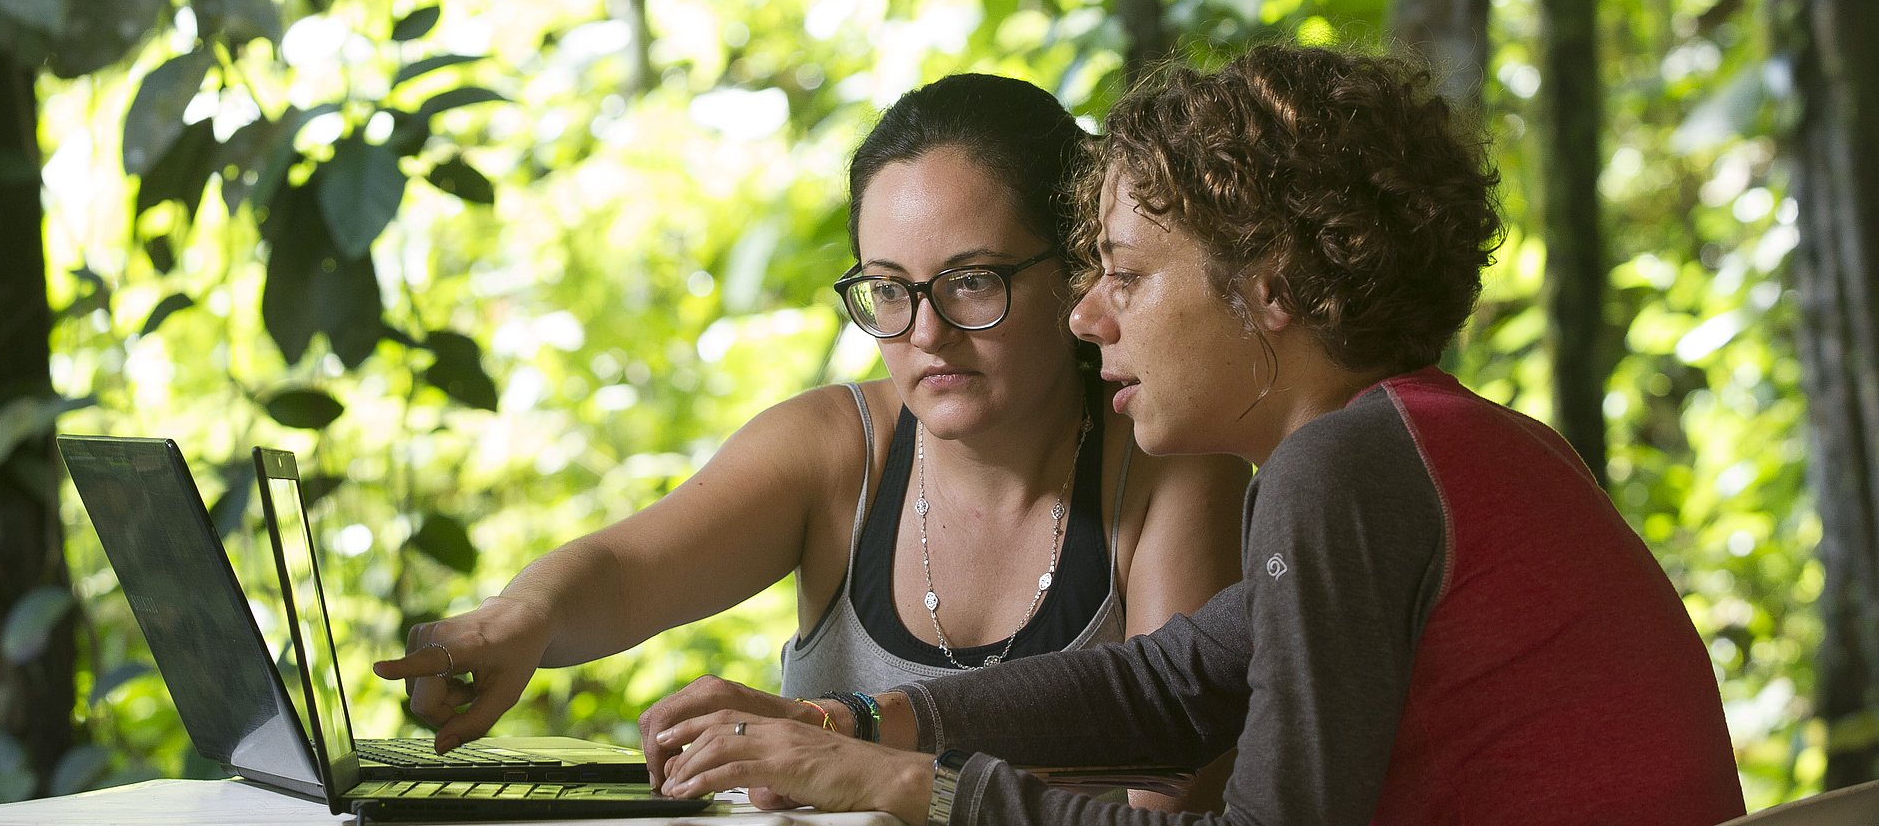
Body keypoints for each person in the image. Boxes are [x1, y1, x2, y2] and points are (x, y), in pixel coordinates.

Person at [641, 43, 1748, 825]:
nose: (1087, 314)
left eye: (1123, 273)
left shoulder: (1345, 467)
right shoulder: (1425, 443)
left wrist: (891, 785)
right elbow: (1170, 682)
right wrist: (852, 717)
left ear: (1266, 286)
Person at [373, 73, 1247, 810]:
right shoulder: (840, 447)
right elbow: (622, 570)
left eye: (972, 282)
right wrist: (521, 619)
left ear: (1078, 272)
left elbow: (1166, 802)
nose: (926, 333)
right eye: (888, 290)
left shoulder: (1171, 466)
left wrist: (866, 764)